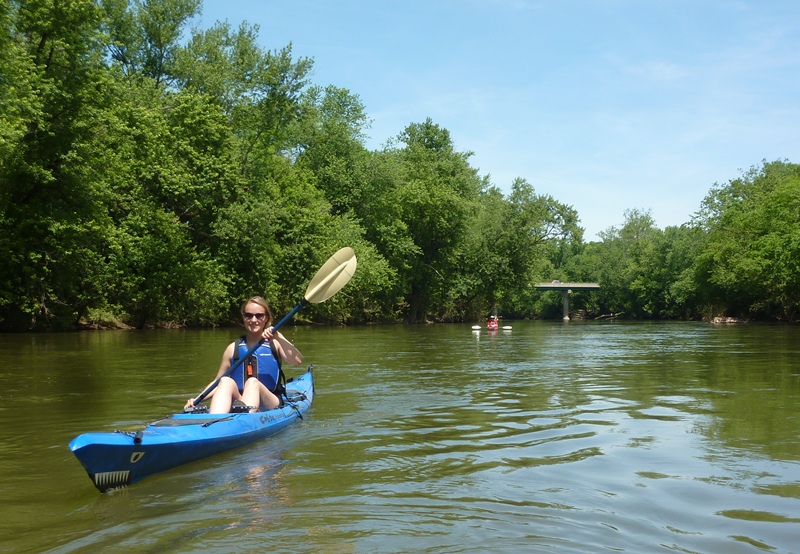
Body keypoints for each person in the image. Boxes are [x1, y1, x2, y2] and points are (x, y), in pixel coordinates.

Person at [184, 296, 303, 414]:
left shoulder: (275, 343)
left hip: (270, 401)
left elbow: (297, 361)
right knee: (225, 381)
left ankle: (244, 418)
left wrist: (278, 336)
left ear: (266, 318)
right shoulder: (232, 348)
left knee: (252, 382)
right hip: (240, 402)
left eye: (259, 315)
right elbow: (217, 382)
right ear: (244, 318)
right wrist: (197, 400)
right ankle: (215, 421)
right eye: (248, 315)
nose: (254, 320)